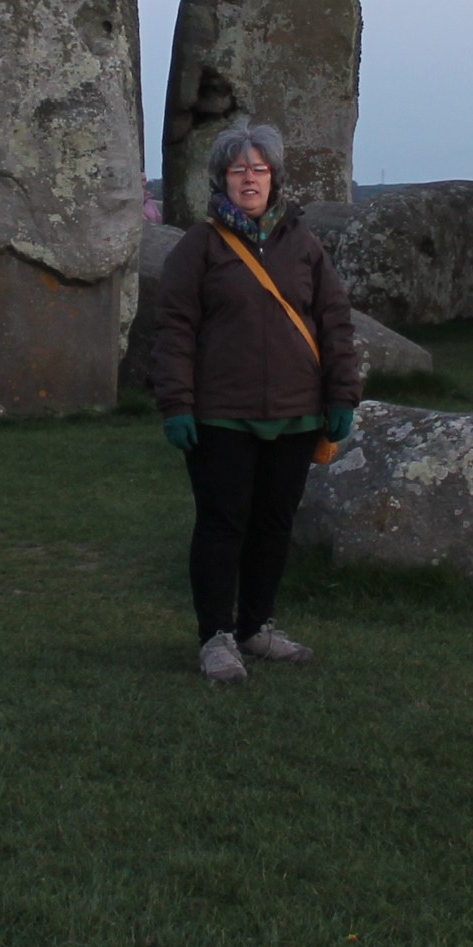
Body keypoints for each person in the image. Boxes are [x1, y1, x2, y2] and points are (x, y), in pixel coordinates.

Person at [148, 122, 364, 685]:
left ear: (274, 178)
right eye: (238, 169)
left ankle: (256, 627)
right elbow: (174, 329)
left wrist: (342, 395)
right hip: (221, 412)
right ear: (221, 179)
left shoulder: (303, 245)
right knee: (222, 524)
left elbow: (335, 322)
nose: (249, 178)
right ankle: (216, 637)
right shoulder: (199, 247)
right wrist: (176, 404)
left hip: (296, 411)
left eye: (259, 169)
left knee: (273, 524)